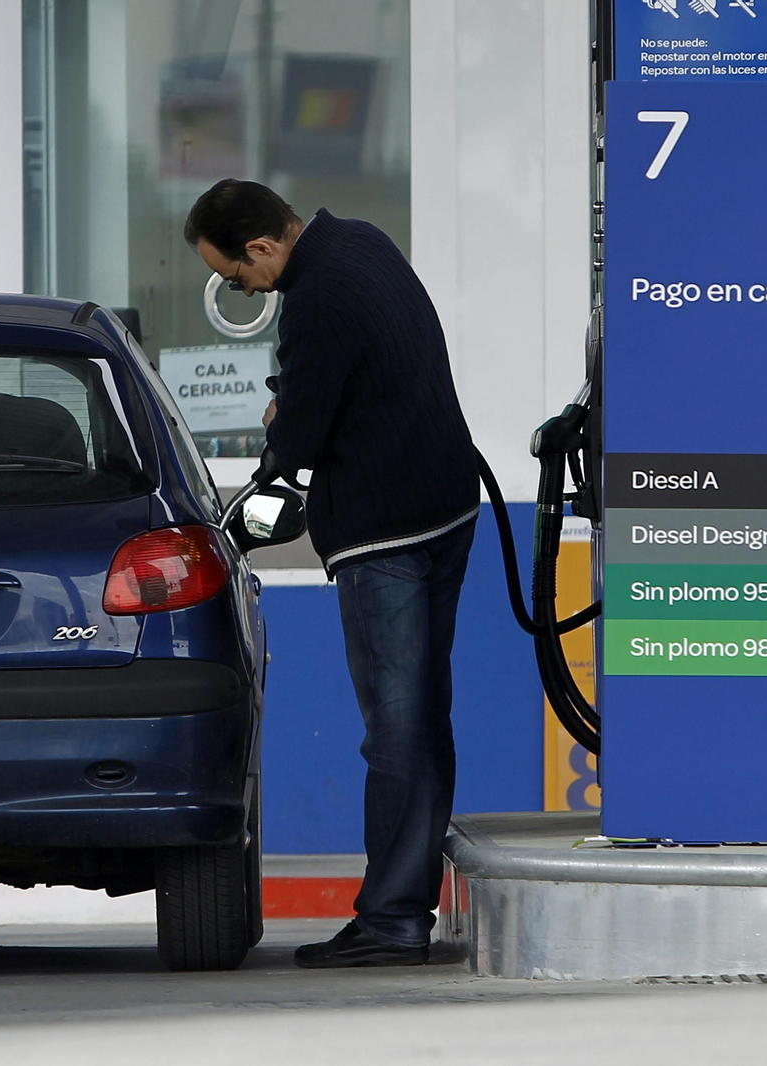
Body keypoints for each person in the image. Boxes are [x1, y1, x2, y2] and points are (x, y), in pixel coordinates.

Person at [185, 179, 480, 967]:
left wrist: (280, 423)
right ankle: (403, 907)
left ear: (262, 247)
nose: (242, 288)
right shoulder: (365, 241)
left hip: (387, 532)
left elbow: (302, 436)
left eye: (235, 274)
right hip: (449, 510)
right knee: (421, 723)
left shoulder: (313, 299)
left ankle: (390, 921)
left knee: (394, 731)